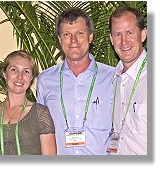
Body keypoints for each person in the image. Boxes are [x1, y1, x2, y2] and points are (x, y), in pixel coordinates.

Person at [37, 7, 115, 155]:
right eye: (67, 34)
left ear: (90, 37)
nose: (73, 40)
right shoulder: (45, 80)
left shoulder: (113, 77)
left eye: (79, 33)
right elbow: (42, 132)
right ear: (60, 40)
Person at [0, 50, 56, 155]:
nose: (20, 76)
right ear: (5, 74)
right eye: (14, 70)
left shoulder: (40, 113)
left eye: (26, 71)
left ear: (32, 77)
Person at [108, 7, 147, 155]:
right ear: (111, 39)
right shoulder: (114, 78)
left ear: (143, 34)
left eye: (129, 33)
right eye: (118, 34)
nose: (124, 41)